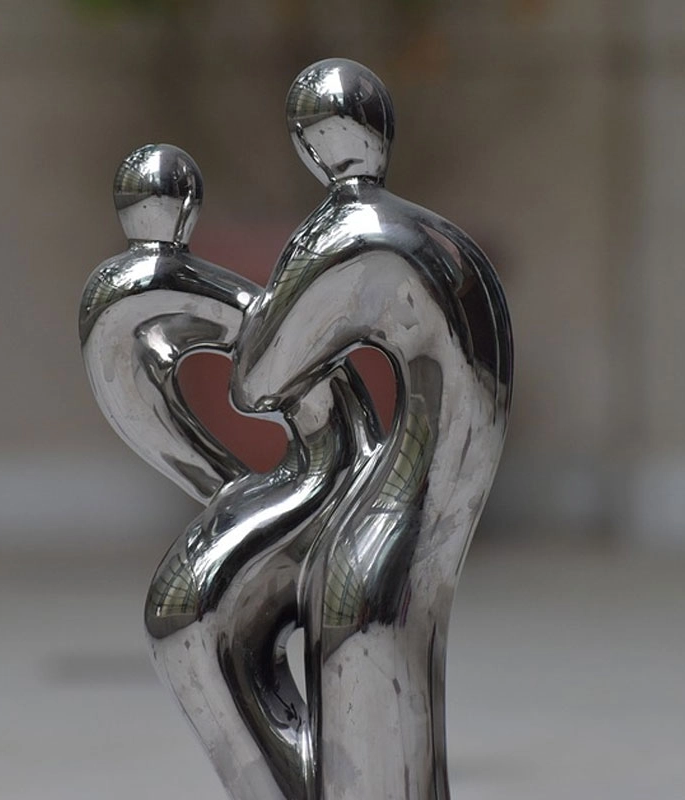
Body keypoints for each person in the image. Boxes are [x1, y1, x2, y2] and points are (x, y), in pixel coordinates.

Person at [233, 59, 514, 800]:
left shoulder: (344, 238)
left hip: (393, 522)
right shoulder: (439, 237)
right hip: (439, 506)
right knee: (380, 631)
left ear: (309, 145)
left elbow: (257, 381)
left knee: (357, 621)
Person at [80, 144, 380, 800]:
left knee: (193, 624)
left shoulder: (124, 294)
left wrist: (225, 490)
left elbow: (151, 406)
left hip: (327, 472)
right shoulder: (143, 296)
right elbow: (145, 403)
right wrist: (225, 487)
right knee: (194, 625)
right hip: (330, 468)